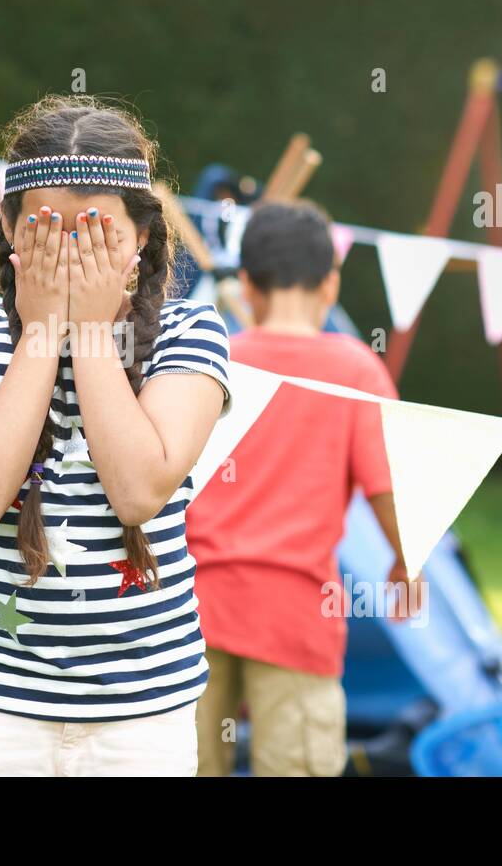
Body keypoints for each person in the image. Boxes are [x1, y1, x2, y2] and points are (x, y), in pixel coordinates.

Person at [0, 95, 231, 776]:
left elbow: (139, 491)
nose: (70, 254)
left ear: (143, 234)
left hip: (144, 711)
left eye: (97, 233)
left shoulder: (191, 335)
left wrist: (89, 331)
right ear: (7, 226)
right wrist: (40, 334)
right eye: (47, 231)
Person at [185, 199, 411, 777]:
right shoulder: (358, 369)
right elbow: (387, 484)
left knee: (183, 764)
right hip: (295, 613)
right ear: (330, 284)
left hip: (191, 609)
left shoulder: (214, 362)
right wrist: (407, 562)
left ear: (247, 287)